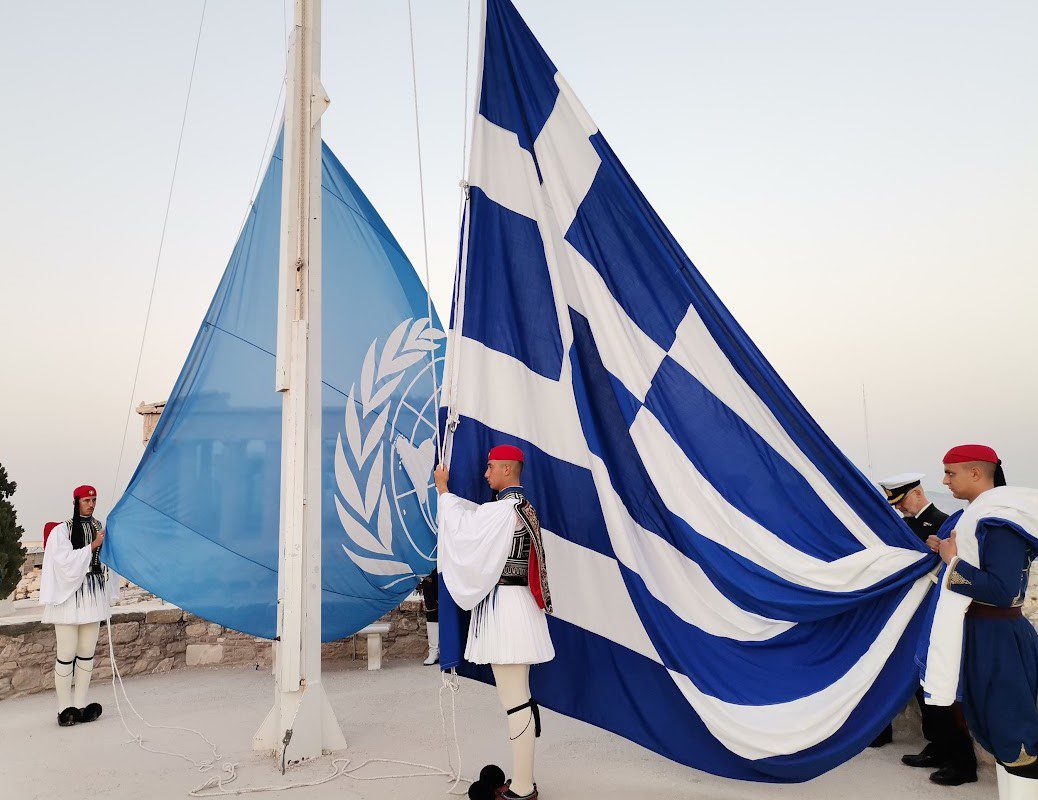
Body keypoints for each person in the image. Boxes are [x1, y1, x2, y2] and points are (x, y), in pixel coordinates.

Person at [436, 445, 553, 800]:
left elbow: (466, 528)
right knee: (521, 697)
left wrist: (443, 492)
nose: (485, 475)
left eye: (490, 468)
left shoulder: (504, 510)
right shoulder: (519, 507)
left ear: (506, 469)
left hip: (509, 611)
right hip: (518, 608)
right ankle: (523, 779)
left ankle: (522, 788)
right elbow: (477, 518)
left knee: (515, 700)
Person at [923, 445, 1038, 800]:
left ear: (976, 473)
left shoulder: (1000, 519)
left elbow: (1002, 590)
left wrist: (953, 561)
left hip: (999, 635)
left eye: (950, 473)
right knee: (992, 727)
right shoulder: (980, 515)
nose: (944, 480)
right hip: (981, 631)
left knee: (1013, 733)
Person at [873, 473, 977, 785]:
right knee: (909, 680)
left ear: (918, 493)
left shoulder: (944, 522)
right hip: (906, 617)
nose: (901, 508)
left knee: (932, 684)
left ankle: (948, 751)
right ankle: (933, 744)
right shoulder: (903, 526)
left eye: (902, 500)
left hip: (931, 616)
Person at [39, 485, 119, 726]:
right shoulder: (62, 531)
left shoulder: (99, 527)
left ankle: (81, 705)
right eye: (86, 500)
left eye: (94, 500)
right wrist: (93, 546)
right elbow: (62, 561)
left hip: (93, 594)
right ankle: (65, 708)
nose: (91, 504)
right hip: (69, 597)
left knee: (86, 652)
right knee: (66, 652)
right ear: (77, 501)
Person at [419, 569, 439, 666]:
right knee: (431, 612)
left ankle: (445, 652)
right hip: (429, 570)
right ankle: (433, 652)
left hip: (446, 568)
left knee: (447, 613)